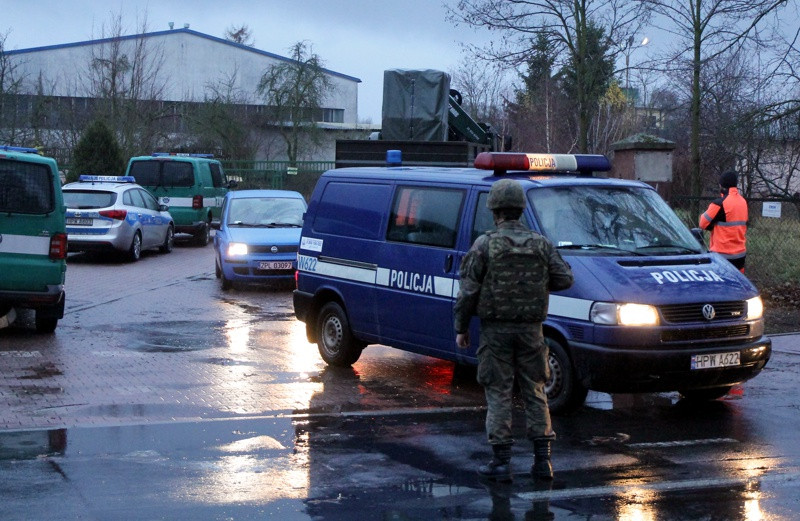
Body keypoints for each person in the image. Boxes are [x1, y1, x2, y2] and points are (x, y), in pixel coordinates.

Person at [453, 178, 574, 482]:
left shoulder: (485, 244)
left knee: (499, 392)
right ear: (520, 209)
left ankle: (501, 462)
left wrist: (462, 328)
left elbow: (467, 291)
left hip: (496, 332)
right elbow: (565, 279)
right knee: (535, 391)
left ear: (494, 210)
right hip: (532, 331)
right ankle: (543, 462)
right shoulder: (541, 244)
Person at [699, 170, 748, 273]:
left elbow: (702, 223)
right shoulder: (743, 202)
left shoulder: (719, 203)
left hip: (722, 256)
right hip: (740, 255)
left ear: (721, 185)